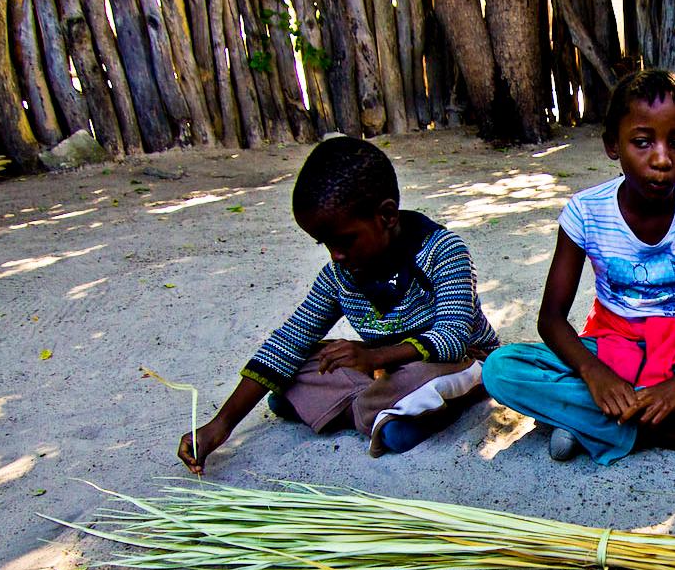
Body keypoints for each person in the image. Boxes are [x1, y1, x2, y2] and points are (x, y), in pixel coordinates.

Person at [483, 70, 675, 465]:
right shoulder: (585, 212)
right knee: (500, 370)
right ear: (613, 145)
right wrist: (594, 373)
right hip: (609, 348)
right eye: (642, 142)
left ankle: (586, 422)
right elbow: (551, 319)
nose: (662, 158)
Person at [177, 137, 499, 474]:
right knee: (301, 361)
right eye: (325, 243)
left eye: (345, 241)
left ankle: (343, 409)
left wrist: (373, 357)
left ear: (386, 216)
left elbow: (453, 338)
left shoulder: (443, 251)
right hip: (387, 371)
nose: (336, 255)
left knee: (431, 376)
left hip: (461, 360)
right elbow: (288, 341)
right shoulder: (338, 275)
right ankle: (382, 415)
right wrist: (221, 425)